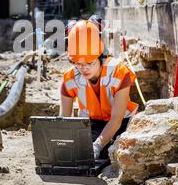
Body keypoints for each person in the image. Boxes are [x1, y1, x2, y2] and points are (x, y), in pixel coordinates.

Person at [59, 17, 138, 160]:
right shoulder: (69, 78)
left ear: (100, 56)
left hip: (122, 123)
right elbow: (64, 119)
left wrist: (97, 145)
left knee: (124, 151)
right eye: (78, 63)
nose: (84, 68)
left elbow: (116, 119)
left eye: (89, 63)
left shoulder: (119, 72)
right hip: (92, 124)